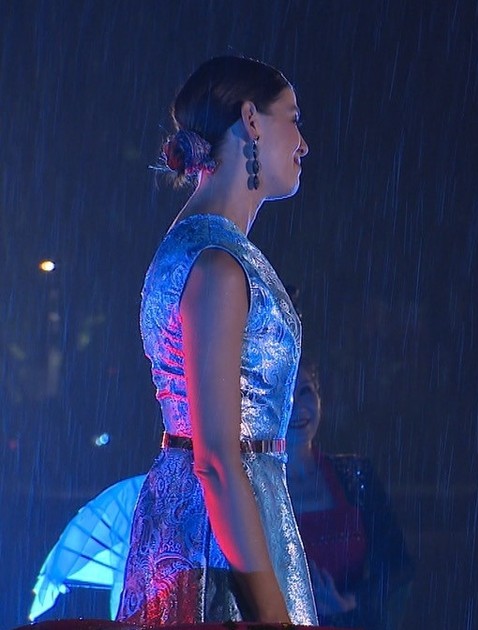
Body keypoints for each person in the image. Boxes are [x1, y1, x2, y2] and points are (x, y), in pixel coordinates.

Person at [117, 56, 316, 624]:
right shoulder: (218, 265)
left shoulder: (205, 250)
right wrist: (274, 617)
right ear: (250, 120)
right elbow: (217, 462)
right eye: (293, 119)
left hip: (206, 526)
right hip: (219, 546)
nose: (303, 144)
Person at [286, 361, 414, 628]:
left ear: (320, 397)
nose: (297, 406)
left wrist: (350, 601)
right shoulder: (252, 487)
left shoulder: (355, 475)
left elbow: (398, 565)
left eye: (305, 391)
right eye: (285, 393)